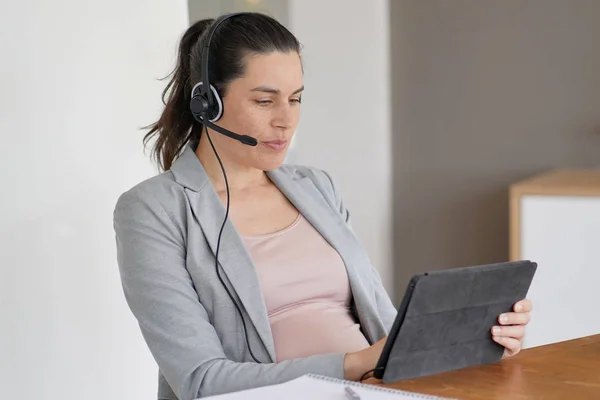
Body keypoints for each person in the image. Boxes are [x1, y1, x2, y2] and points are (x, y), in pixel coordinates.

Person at [113, 12, 533, 400]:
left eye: (295, 99)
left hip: (374, 390)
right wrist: (356, 364)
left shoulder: (315, 187)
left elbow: (386, 329)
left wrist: (468, 339)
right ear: (207, 103)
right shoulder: (153, 211)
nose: (286, 120)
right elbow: (200, 380)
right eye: (265, 101)